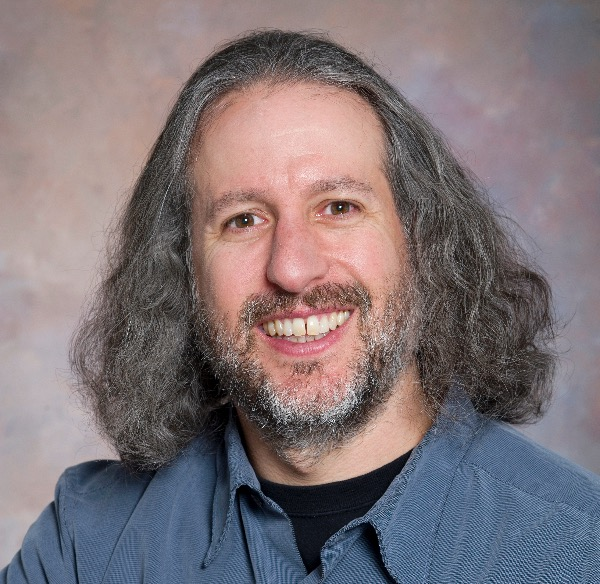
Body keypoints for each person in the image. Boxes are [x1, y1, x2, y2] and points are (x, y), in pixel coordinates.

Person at [3, 29, 599, 583]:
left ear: (422, 239)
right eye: (243, 220)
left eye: (338, 207)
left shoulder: (577, 549)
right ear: (184, 271)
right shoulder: (82, 544)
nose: (291, 269)